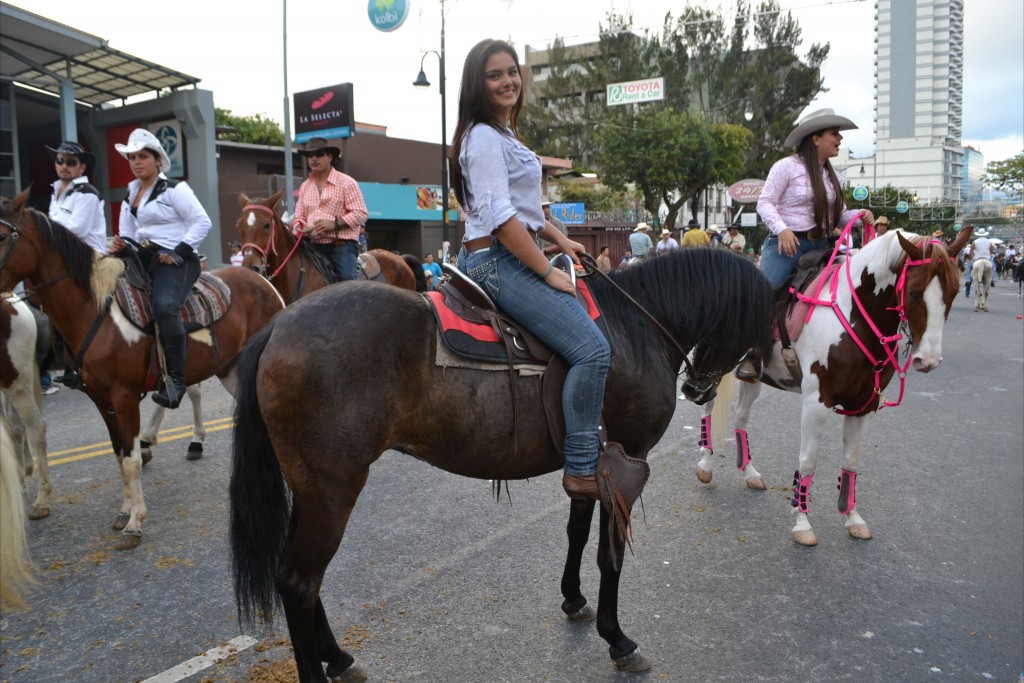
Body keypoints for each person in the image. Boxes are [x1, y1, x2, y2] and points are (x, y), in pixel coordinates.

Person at [450, 38, 643, 504]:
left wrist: (560, 239)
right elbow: (500, 217)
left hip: (510, 252)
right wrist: (546, 269)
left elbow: (528, 210)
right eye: (494, 74)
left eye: (511, 71)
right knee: (593, 350)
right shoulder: (481, 138)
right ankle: (580, 467)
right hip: (497, 261)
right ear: (478, 83)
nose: (507, 81)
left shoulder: (504, 135)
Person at [737, 108, 873, 382]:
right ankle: (751, 353)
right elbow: (765, 202)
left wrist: (859, 216)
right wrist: (783, 230)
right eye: (834, 133)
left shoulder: (834, 177)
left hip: (823, 246)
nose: (839, 139)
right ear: (815, 138)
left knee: (852, 288)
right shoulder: (786, 167)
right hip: (787, 244)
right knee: (767, 290)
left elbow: (839, 215)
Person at [110, 128, 211, 409]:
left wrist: (178, 251)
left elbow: (202, 222)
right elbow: (128, 230)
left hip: (176, 260)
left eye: (143, 156)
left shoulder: (176, 189)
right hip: (142, 258)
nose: (136, 162)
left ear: (157, 160)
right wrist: (122, 244)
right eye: (132, 157)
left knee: (165, 306)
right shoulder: (130, 191)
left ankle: (176, 381)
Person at [290, 137, 369, 282]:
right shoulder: (305, 186)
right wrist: (301, 227)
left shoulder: (347, 182)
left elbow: (361, 213)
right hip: (312, 247)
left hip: (340, 247)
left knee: (347, 283)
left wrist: (334, 224)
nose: (313, 158)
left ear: (330, 157)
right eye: (310, 155)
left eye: (319, 154)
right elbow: (299, 216)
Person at [46, 141, 107, 253]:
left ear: (82, 168)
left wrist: (43, 234)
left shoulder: (88, 194)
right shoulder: (54, 193)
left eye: (71, 162)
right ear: (55, 165)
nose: (64, 166)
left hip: (91, 259)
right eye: (60, 161)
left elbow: (76, 231)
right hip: (63, 257)